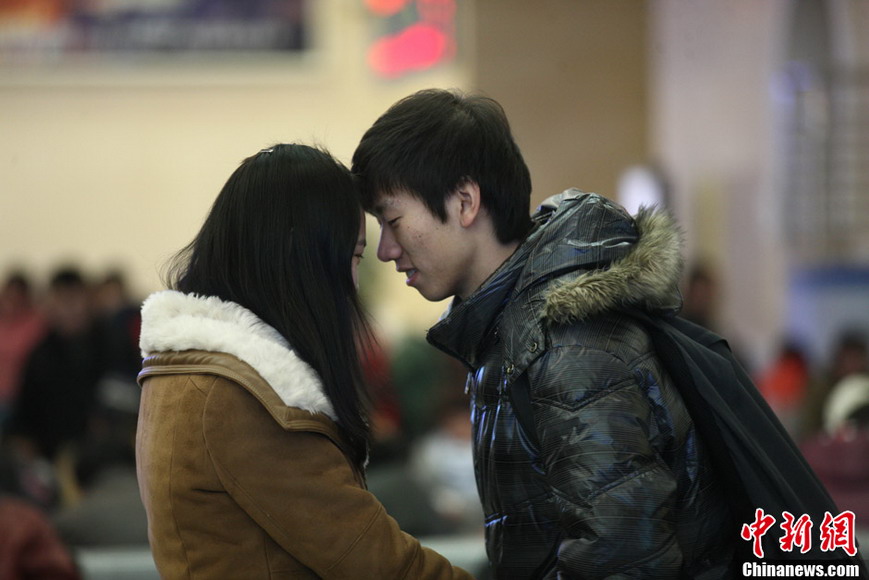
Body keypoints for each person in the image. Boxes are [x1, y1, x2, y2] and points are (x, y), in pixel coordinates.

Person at [352, 89, 738, 578]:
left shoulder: (570, 344)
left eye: (392, 220)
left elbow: (621, 558)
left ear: (465, 201)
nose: (385, 250)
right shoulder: (510, 335)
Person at [135, 143, 473, 579]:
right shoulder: (236, 398)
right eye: (352, 256)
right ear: (301, 256)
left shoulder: (190, 374)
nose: (354, 282)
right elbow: (380, 565)